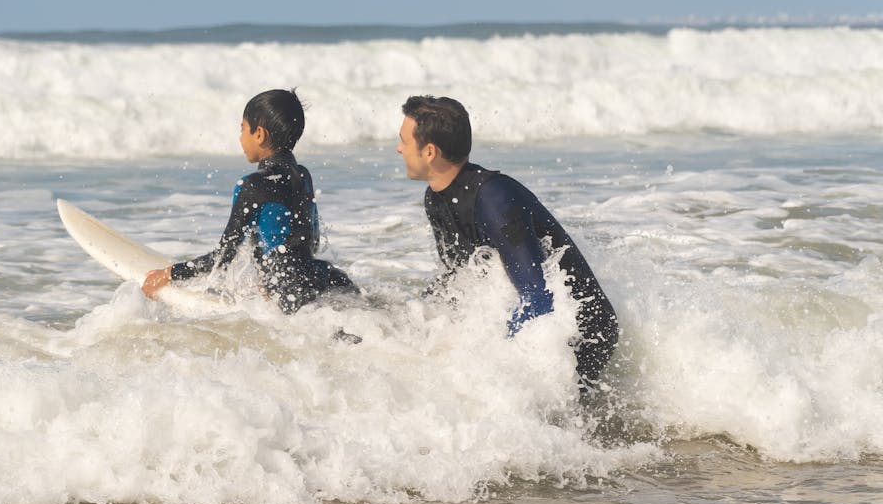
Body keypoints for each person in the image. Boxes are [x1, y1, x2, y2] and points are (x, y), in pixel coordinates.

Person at [396, 95, 619, 397]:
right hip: (540, 320)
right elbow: (459, 280)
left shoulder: (493, 197)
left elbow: (538, 295)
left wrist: (498, 353)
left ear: (430, 151)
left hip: (584, 331)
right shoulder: (436, 198)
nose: (399, 149)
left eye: (404, 142)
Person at [142, 89, 356, 314]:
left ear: (259, 134)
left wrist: (169, 274)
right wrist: (267, 277)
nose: (240, 137)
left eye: (242, 128)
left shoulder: (252, 185)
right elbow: (310, 243)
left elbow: (222, 258)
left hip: (289, 294)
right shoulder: (303, 175)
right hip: (324, 277)